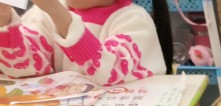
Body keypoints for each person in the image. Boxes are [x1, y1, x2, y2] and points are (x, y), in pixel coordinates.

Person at [0, 0, 168, 84]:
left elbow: (109, 73)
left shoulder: (134, 20)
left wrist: (56, 12)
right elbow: (27, 70)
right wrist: (4, 17)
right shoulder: (43, 14)